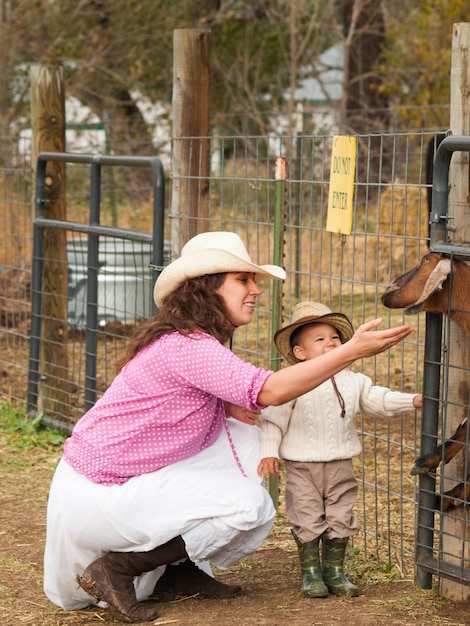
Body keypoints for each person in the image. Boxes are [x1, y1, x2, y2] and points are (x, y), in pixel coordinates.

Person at [43, 232, 415, 623]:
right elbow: (270, 390)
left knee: (244, 437)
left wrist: (224, 403)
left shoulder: (189, 341)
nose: (256, 289)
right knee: (248, 507)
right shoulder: (189, 346)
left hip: (107, 484)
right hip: (97, 495)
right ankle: (117, 568)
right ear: (207, 288)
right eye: (243, 279)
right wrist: (349, 351)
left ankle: (174, 571)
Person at [257, 301, 423, 599]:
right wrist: (269, 451)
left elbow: (378, 400)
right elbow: (273, 419)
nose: (330, 343)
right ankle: (310, 573)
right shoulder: (292, 383)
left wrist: (411, 400)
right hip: (302, 465)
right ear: (300, 352)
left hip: (340, 463)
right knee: (306, 515)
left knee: (340, 515)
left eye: (335, 337)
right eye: (319, 339)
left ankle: (335, 571)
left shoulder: (353, 381)